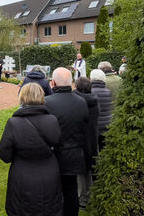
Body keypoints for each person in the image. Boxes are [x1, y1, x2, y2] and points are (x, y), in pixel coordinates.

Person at [0, 83, 62, 216]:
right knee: (49, 208)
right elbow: (58, 145)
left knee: (22, 209)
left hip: (23, 174)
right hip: (48, 172)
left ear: (22, 97)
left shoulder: (14, 123)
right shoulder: (52, 120)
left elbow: (5, 154)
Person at [45, 67, 89, 216]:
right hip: (74, 155)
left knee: (54, 192)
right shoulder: (82, 102)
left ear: (53, 83)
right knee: (71, 190)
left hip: (53, 156)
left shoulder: (46, 103)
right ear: (71, 83)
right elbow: (85, 130)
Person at [73, 77, 100, 208]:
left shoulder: (78, 102)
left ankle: (82, 199)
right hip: (92, 139)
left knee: (81, 173)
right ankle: (90, 197)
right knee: (89, 169)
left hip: (81, 139)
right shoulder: (94, 100)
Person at [90, 69, 112, 152]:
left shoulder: (90, 92)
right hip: (107, 124)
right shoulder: (108, 91)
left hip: (95, 126)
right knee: (104, 149)